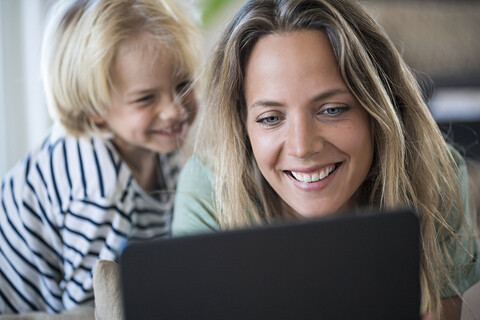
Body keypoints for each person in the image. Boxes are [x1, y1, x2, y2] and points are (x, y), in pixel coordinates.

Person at [172, 0, 480, 319]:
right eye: (270, 118)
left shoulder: (432, 174)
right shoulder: (207, 192)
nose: (302, 147)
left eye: (332, 110)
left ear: (379, 107)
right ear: (242, 127)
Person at [0, 0, 199, 314]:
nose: (175, 109)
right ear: (94, 109)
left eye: (183, 84)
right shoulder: (97, 191)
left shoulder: (162, 149)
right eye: (146, 98)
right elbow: (90, 311)